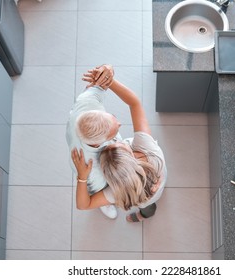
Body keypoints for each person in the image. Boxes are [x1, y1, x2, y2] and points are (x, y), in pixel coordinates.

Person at [71, 69, 167, 222]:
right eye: (119, 144)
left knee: (147, 205)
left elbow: (83, 205)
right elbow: (135, 103)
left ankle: (140, 216)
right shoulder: (148, 150)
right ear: (132, 155)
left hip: (145, 197)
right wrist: (111, 81)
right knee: (151, 203)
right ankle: (143, 215)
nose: (116, 140)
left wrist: (82, 178)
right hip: (158, 187)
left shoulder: (116, 192)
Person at [65, 64, 120, 219]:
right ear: (99, 143)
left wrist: (107, 70)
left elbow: (102, 79)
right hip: (92, 179)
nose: (120, 124)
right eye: (114, 132)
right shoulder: (91, 170)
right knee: (101, 192)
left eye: (113, 118)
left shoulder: (87, 101)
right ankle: (105, 205)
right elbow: (85, 202)